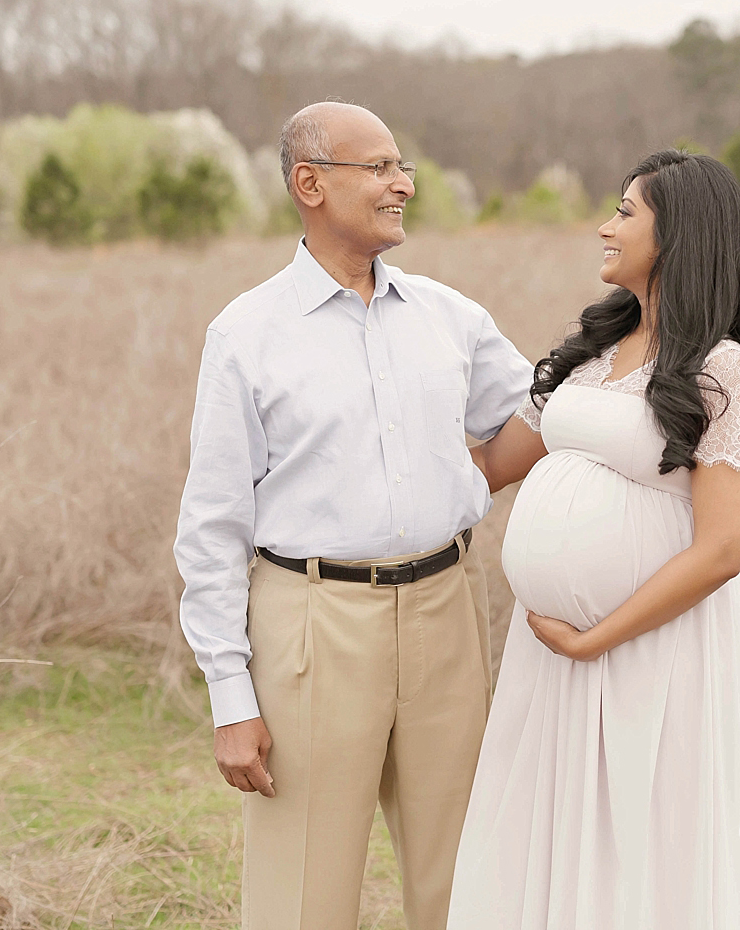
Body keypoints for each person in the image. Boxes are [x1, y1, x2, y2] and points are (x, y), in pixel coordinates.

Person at [173, 100, 534, 930]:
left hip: (448, 614)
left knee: (470, 880)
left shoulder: (452, 317)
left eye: (400, 166)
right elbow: (213, 526)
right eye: (379, 168)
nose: (402, 183)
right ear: (310, 183)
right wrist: (232, 697)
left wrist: (469, 481)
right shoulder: (245, 335)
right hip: (313, 625)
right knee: (303, 896)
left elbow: (541, 413)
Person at [448, 149, 740, 929]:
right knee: (542, 837)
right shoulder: (592, 354)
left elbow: (723, 549)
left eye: (625, 213)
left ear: (680, 237)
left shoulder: (718, 369)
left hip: (652, 650)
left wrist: (600, 637)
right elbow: (495, 465)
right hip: (554, 652)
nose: (605, 227)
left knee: (643, 843)